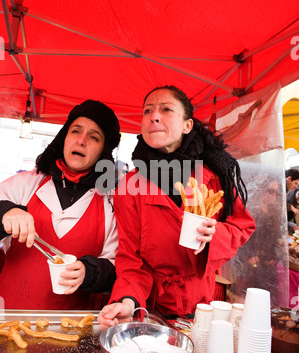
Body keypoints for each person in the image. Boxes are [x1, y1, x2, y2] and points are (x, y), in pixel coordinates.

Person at [98, 85, 256, 326]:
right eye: (148, 110)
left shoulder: (215, 176)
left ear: (187, 125)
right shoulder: (130, 187)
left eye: (166, 109)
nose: (154, 116)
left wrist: (216, 235)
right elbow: (130, 258)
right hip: (152, 308)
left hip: (203, 307)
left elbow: (242, 227)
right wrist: (127, 301)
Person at [0, 100, 120, 310]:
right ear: (64, 137)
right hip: (9, 317)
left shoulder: (111, 203)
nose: (81, 141)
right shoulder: (25, 184)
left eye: (94, 137)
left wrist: (90, 272)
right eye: (76, 131)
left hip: (70, 328)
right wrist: (5, 211)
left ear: (104, 151)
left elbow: (116, 263)